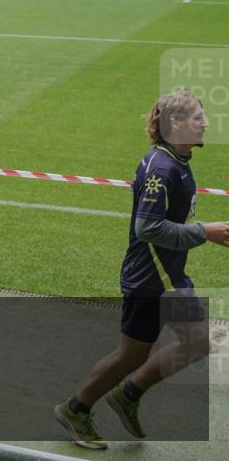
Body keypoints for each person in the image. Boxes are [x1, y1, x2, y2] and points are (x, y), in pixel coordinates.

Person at [55, 89, 229, 449]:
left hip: (169, 274)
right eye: (198, 117)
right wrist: (204, 232)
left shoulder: (175, 160)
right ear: (176, 124)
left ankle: (128, 395)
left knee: (195, 343)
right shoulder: (162, 169)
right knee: (131, 355)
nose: (205, 123)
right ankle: (76, 409)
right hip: (151, 279)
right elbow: (147, 228)